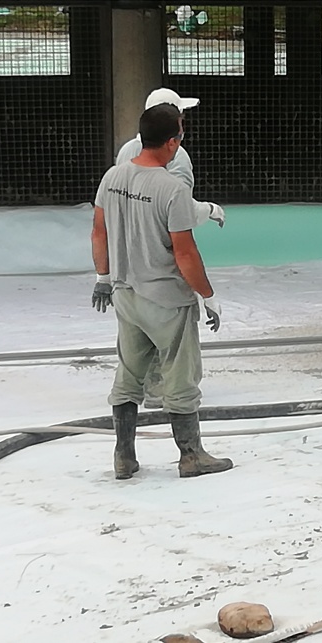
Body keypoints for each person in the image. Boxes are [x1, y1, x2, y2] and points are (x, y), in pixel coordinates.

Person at [91, 103, 234, 480]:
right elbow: (185, 252)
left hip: (126, 294)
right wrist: (207, 295)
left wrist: (103, 277)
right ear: (173, 142)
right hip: (167, 301)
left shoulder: (113, 177)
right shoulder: (171, 189)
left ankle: (124, 456)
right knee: (181, 375)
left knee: (129, 374)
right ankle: (192, 456)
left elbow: (99, 231)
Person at [116, 87, 225, 409]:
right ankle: (175, 402)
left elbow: (107, 219)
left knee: (137, 335)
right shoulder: (178, 159)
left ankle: (142, 394)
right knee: (173, 335)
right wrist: (208, 209)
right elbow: (179, 213)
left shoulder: (125, 153)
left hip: (129, 263)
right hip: (160, 259)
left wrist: (105, 275)